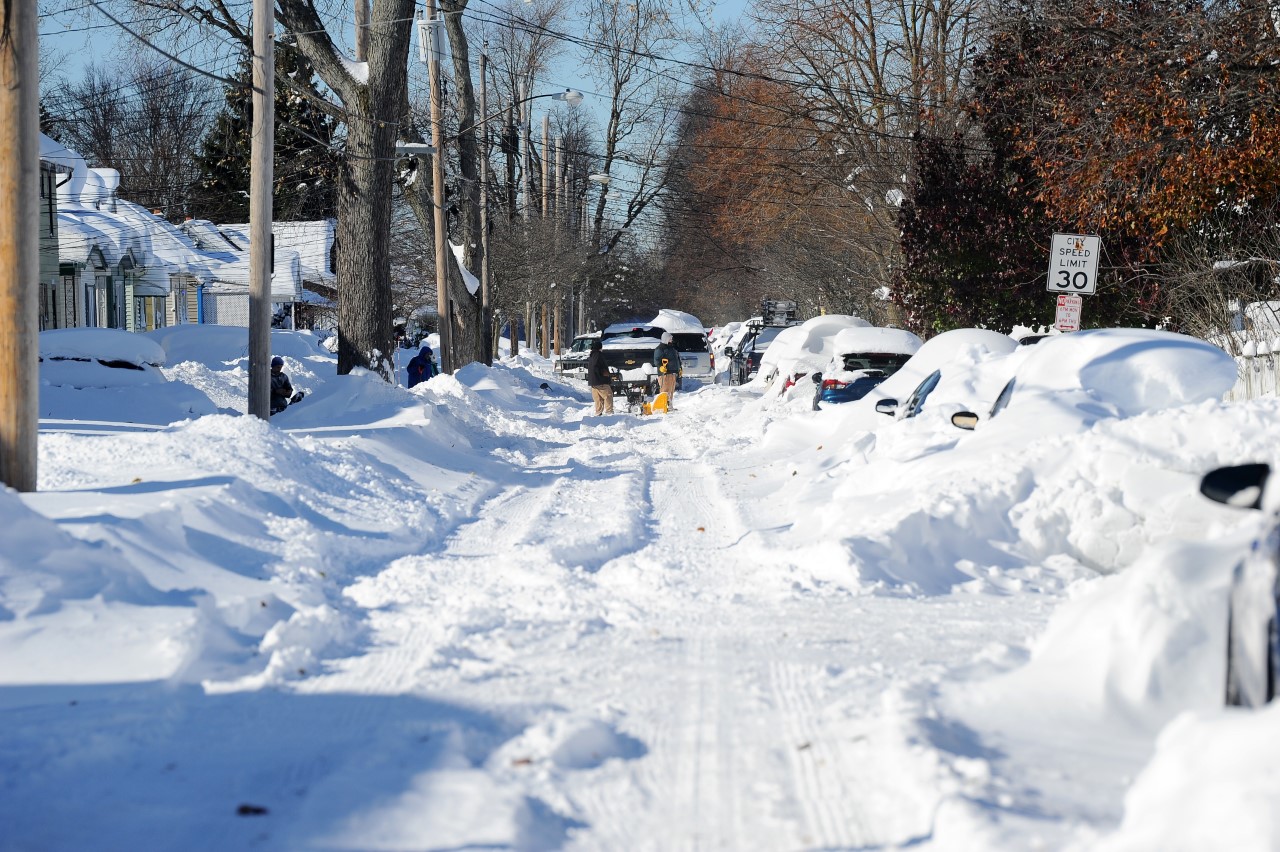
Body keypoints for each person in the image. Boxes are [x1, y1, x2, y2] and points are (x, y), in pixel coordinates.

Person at [585, 338, 614, 415]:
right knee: (608, 395)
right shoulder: (598, 355)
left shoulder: (592, 355)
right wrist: (602, 372)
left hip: (593, 381)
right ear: (599, 348)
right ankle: (609, 412)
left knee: (598, 398)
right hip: (600, 380)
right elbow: (595, 366)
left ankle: (598, 413)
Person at [653, 331, 681, 408]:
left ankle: (669, 405)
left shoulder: (671, 348)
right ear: (666, 339)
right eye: (670, 339)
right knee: (665, 390)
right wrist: (660, 367)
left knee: (671, 390)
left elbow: (677, 359)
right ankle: (662, 406)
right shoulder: (660, 348)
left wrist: (679, 368)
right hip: (664, 374)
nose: (671, 340)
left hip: (673, 373)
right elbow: (656, 360)